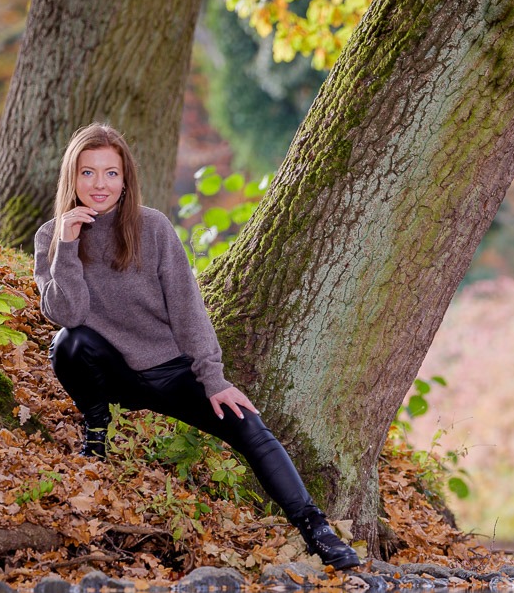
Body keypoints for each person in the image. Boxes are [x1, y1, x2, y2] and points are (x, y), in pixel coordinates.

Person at [32, 123, 361, 570]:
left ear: (126, 178)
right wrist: (67, 248)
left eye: (111, 173)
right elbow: (65, 313)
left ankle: (315, 529)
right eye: (87, 173)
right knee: (68, 343)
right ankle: (96, 426)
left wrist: (214, 379)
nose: (99, 185)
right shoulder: (52, 236)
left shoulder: (153, 228)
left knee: (249, 426)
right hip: (112, 372)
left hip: (171, 371)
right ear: (71, 177)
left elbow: (188, 310)